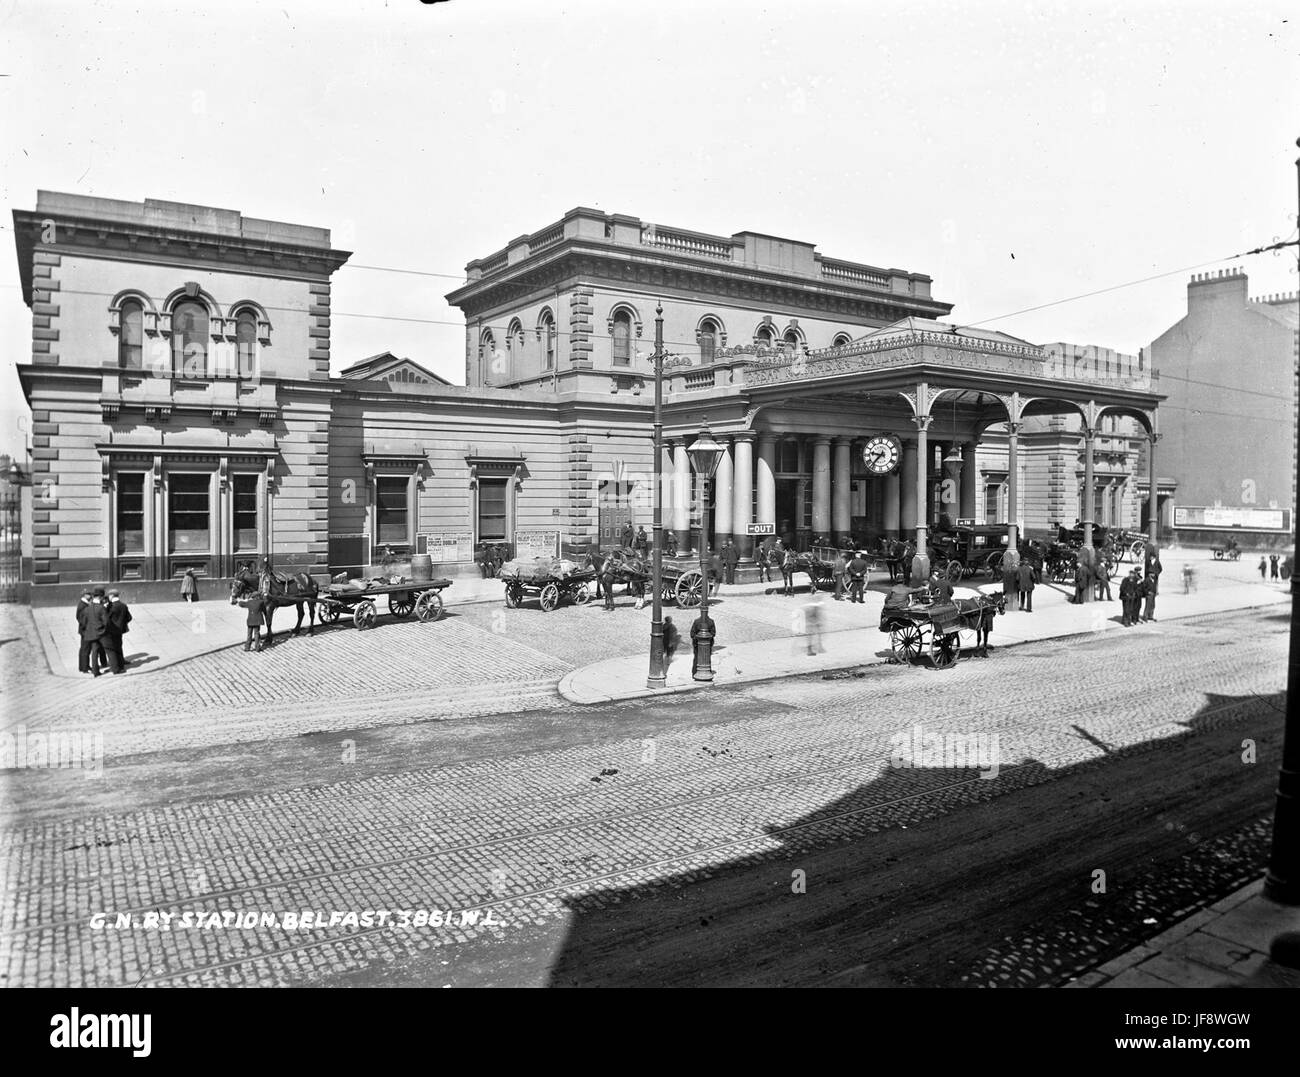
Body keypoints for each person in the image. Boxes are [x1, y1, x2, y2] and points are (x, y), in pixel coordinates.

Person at [103, 589, 131, 674]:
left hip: (111, 630)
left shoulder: (111, 607)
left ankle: (115, 666)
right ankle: (121, 664)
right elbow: (129, 617)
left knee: (112, 648)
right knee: (119, 646)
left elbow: (107, 618)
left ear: (111, 596)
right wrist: (122, 624)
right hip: (120, 630)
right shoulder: (123, 605)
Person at [690, 611, 717, 677]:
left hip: (697, 644)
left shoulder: (696, 621)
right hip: (708, 644)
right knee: (707, 658)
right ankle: (708, 671)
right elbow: (713, 633)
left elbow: (692, 633)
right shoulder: (711, 621)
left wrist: (696, 639)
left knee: (696, 658)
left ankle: (694, 672)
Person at [801, 590, 824, 655]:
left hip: (810, 621)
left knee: (813, 635)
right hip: (812, 621)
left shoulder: (811, 602)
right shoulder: (815, 603)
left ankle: (816, 648)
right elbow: (816, 612)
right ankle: (813, 649)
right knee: (815, 635)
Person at [1143, 556, 1162, 621]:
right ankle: (1145, 616)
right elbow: (1144, 587)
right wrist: (1147, 592)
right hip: (1149, 594)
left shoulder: (1154, 580)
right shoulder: (1147, 580)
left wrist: (1156, 592)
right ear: (1149, 574)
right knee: (1147, 606)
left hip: (1153, 593)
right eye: (1152, 574)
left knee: (1153, 605)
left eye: (1154, 574)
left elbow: (1160, 569)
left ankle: (1151, 616)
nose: (1153, 574)